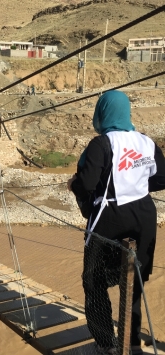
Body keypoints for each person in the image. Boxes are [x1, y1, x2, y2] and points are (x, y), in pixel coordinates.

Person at [67, 90, 165, 355]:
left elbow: (86, 184)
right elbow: (162, 179)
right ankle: (131, 342)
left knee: (94, 280)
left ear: (103, 112)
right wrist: (138, 185)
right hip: (144, 217)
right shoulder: (146, 142)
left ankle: (106, 343)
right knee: (134, 280)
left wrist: (73, 185)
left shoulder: (102, 143)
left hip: (110, 217)